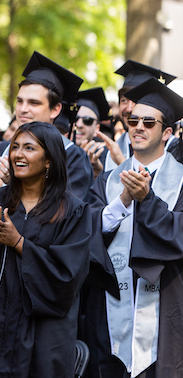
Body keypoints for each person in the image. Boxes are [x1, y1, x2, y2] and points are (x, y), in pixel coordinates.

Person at [0, 122, 91, 377]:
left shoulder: (74, 211)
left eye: (29, 148)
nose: (18, 154)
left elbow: (67, 279)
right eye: (14, 147)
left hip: (44, 339)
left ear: (49, 159)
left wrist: (17, 242)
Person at [83, 79, 183, 378]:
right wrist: (123, 202)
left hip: (168, 303)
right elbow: (87, 230)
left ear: (167, 132)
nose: (138, 127)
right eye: (133, 120)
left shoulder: (181, 179)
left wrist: (147, 200)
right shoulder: (109, 180)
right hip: (111, 306)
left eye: (149, 122)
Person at [0, 51, 93, 197]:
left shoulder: (73, 158)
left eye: (34, 103)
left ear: (55, 109)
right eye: (20, 101)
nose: (23, 109)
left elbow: (68, 214)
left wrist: (12, 187)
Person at [100, 61, 177, 172]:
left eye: (137, 100)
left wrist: (123, 166)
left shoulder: (175, 149)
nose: (130, 108)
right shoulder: (107, 152)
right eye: (124, 100)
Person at [73, 87, 111, 178]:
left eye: (87, 120)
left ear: (96, 129)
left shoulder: (105, 159)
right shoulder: (58, 151)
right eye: (75, 118)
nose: (79, 124)